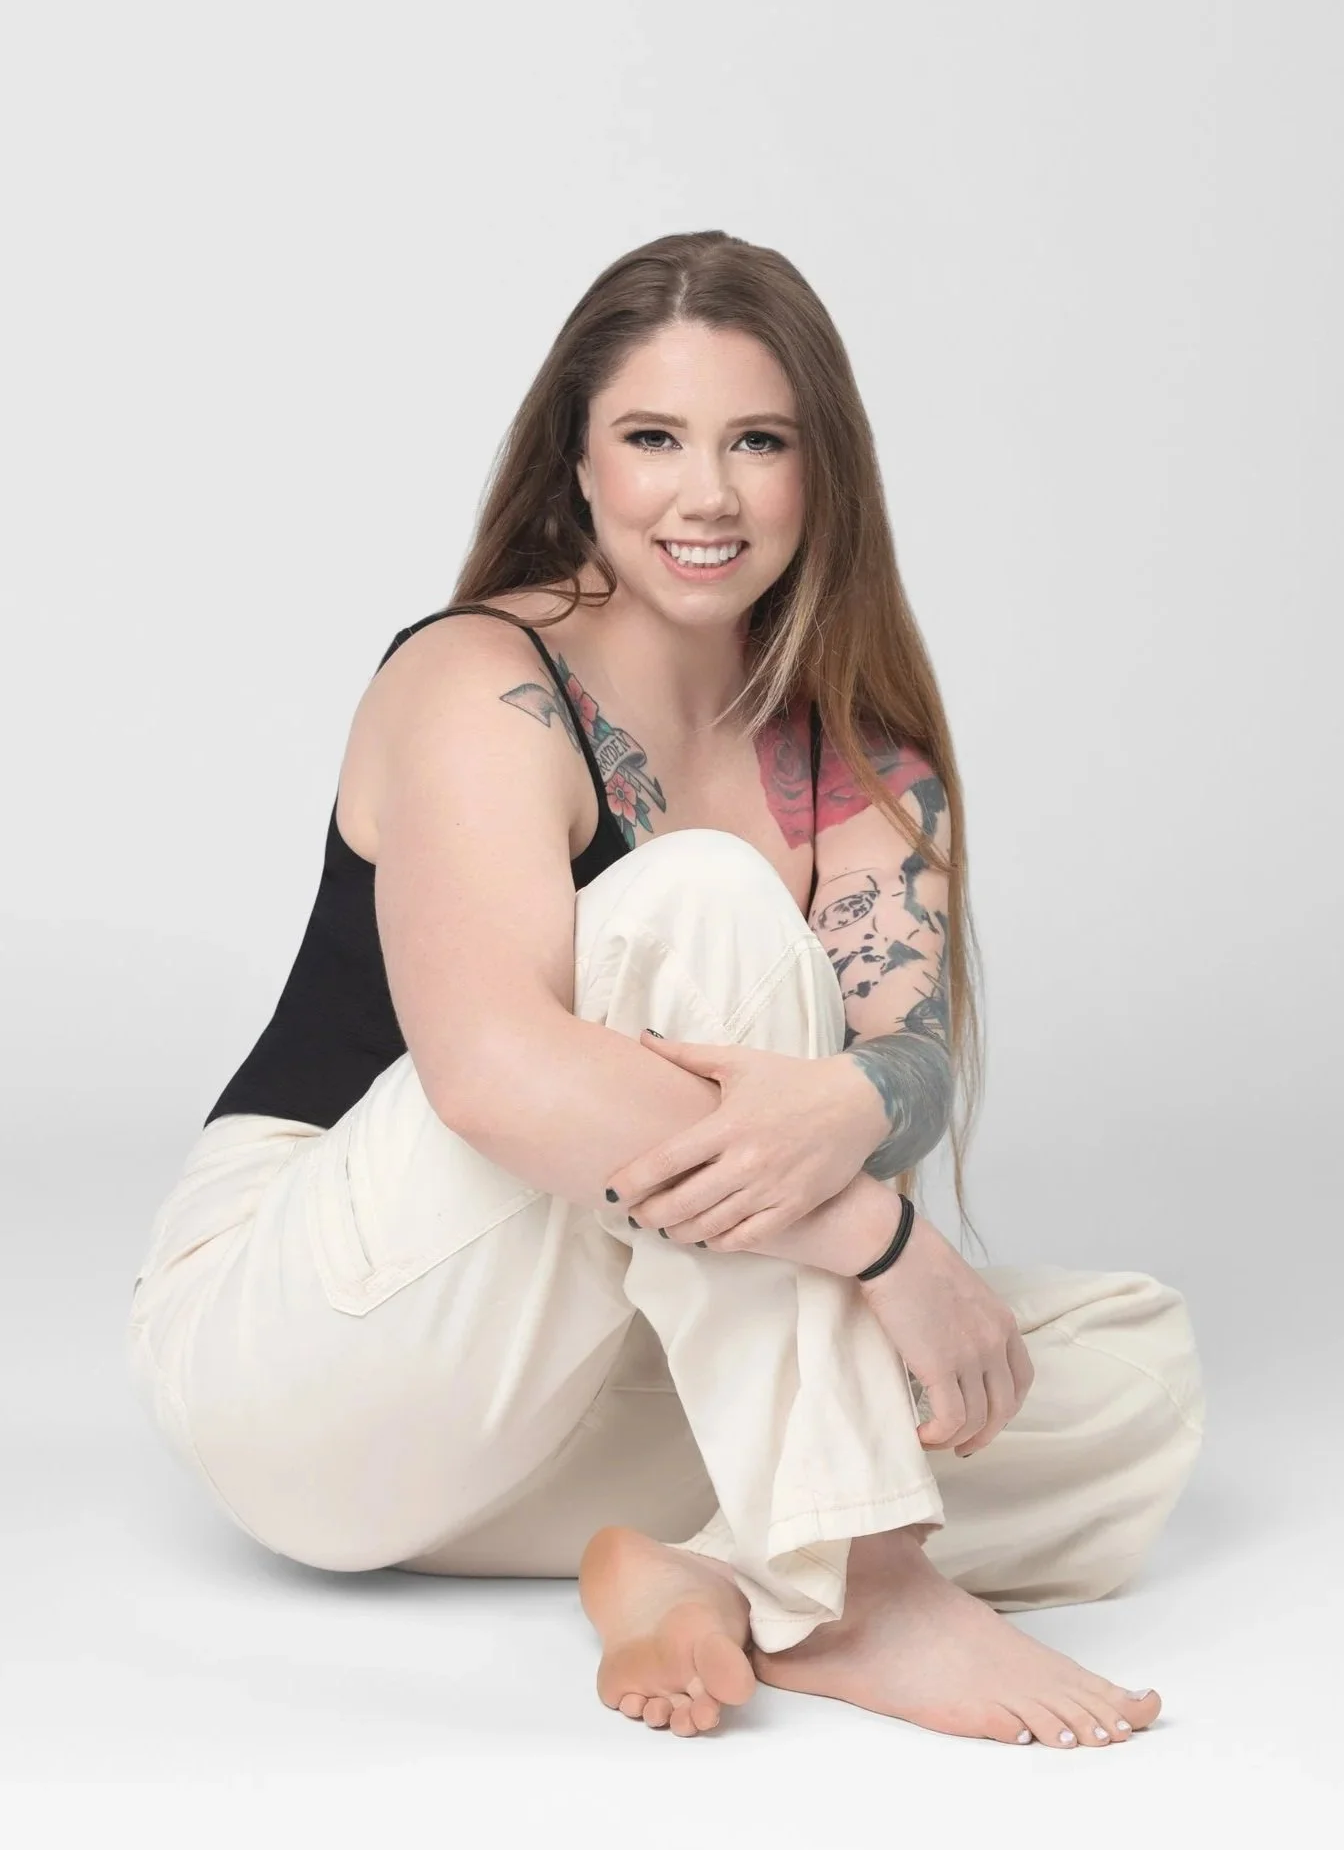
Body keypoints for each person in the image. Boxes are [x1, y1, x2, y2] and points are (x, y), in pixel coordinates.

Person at [127, 230, 1204, 1750]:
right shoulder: (480, 677)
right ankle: (857, 1586)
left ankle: (701, 1561)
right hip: (308, 1340)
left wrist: (857, 1111)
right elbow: (494, 1073)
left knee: (1123, 1365)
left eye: (757, 442)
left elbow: (909, 1073)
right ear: (576, 462)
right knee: (706, 898)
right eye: (653, 439)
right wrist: (876, 1236)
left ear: (820, 471)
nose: (707, 495)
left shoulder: (865, 758)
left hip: (525, 1401)